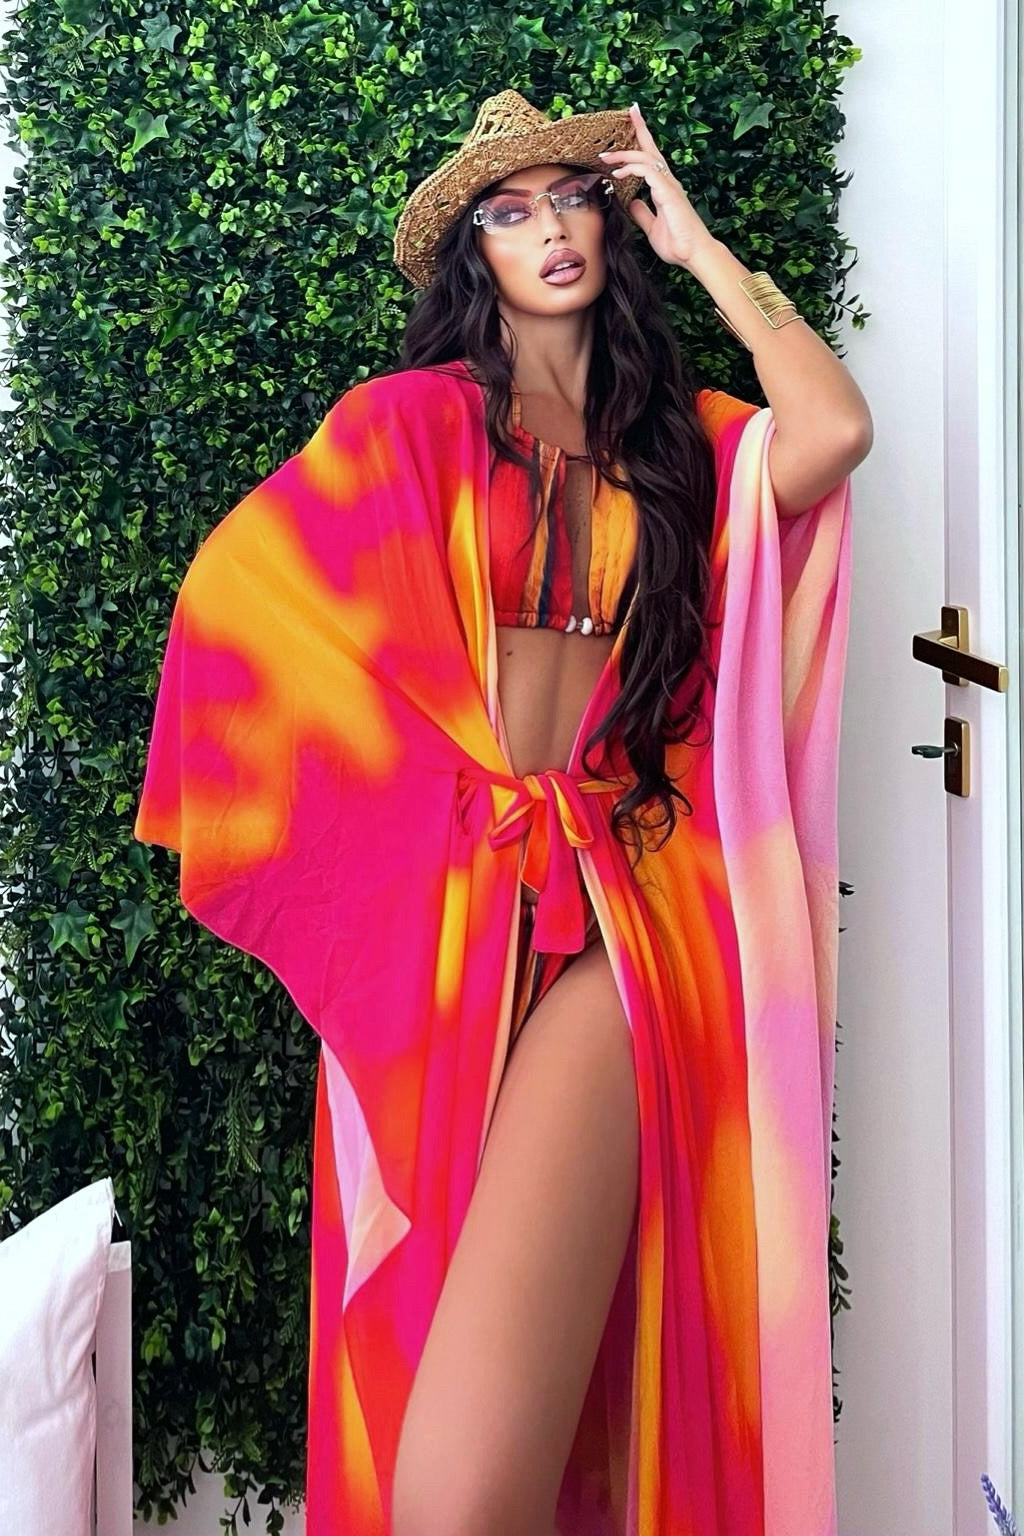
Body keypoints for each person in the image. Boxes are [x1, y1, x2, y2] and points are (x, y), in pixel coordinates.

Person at [134, 87, 871, 1536]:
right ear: (474, 253)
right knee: (448, 1400)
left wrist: (700, 243)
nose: (551, 230)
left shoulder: (688, 448)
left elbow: (835, 430)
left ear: (613, 222)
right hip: (457, 934)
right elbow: (244, 622)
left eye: (572, 198)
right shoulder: (413, 427)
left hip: (627, 922)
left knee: (460, 1493)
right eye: (511, 212)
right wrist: (418, 820)